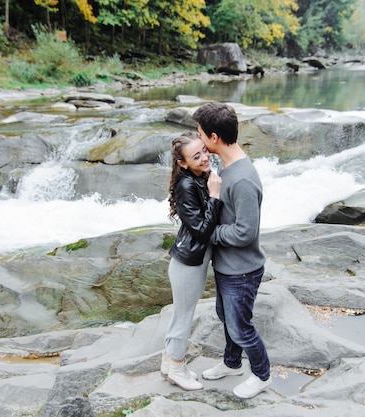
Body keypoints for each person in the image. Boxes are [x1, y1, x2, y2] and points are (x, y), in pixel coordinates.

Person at [192, 102, 272, 399]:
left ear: (213, 137)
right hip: (228, 267)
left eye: (200, 134)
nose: (198, 140)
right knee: (225, 316)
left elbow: (245, 231)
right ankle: (232, 363)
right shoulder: (228, 166)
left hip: (242, 270)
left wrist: (210, 232)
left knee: (240, 327)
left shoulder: (243, 178)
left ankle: (262, 374)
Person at [162, 131, 223, 391]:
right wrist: (215, 196)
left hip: (192, 260)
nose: (204, 157)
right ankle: (176, 367)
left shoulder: (199, 176)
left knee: (180, 314)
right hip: (188, 263)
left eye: (204, 151)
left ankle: (169, 364)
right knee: (185, 316)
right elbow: (201, 230)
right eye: (196, 156)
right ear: (183, 163)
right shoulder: (187, 185)